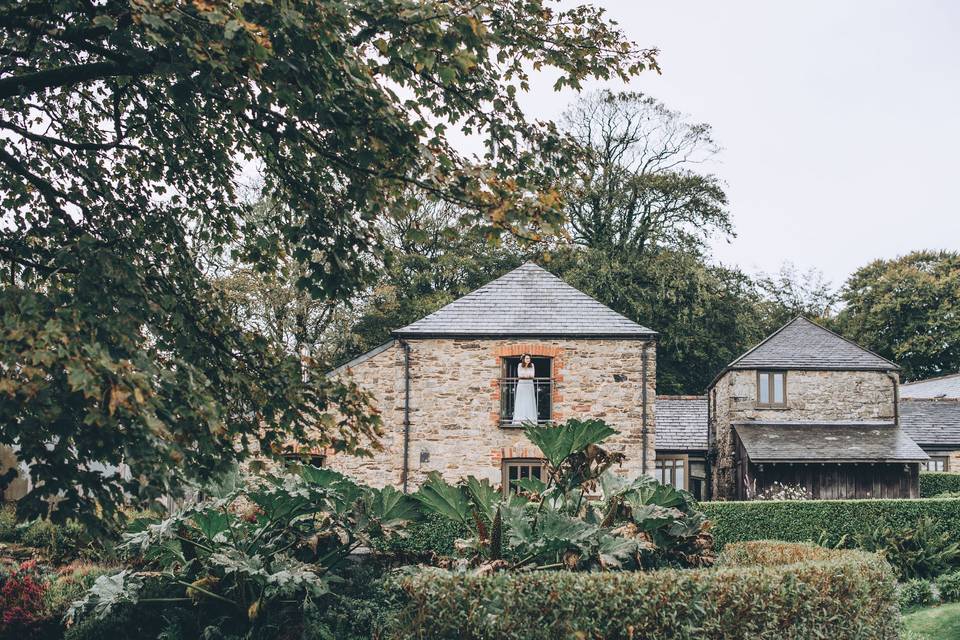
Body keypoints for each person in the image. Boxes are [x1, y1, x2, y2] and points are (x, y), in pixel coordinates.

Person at [512, 354, 538, 425]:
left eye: (529, 358)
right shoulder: (520, 365)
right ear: (523, 359)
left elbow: (532, 375)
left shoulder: (532, 365)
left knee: (529, 400)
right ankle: (519, 420)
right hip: (522, 384)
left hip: (529, 384)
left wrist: (525, 375)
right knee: (521, 400)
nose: (528, 360)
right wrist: (527, 375)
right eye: (526, 358)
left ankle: (530, 420)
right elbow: (519, 375)